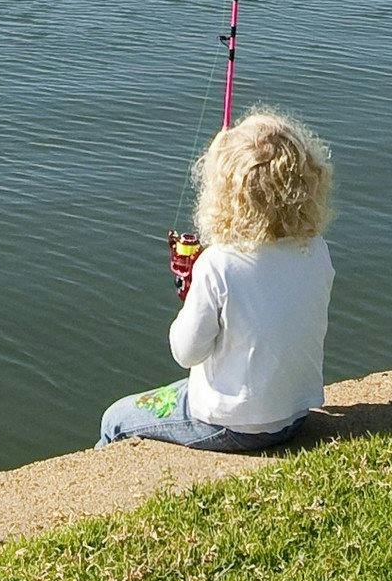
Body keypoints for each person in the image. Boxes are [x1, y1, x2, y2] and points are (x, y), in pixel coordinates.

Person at [98, 109, 335, 451]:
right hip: (295, 414)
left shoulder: (218, 264)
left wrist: (194, 288)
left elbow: (186, 352)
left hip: (231, 424)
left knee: (114, 419)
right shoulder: (317, 250)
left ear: (225, 194)